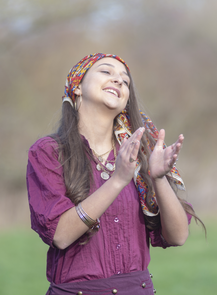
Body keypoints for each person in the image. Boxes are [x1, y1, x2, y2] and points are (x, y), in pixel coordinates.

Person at [26, 53, 198, 295]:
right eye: (106, 72)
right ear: (76, 88)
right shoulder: (48, 152)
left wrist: (158, 178)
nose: (118, 80)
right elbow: (60, 236)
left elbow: (178, 236)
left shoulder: (139, 154)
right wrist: (118, 180)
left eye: (125, 81)